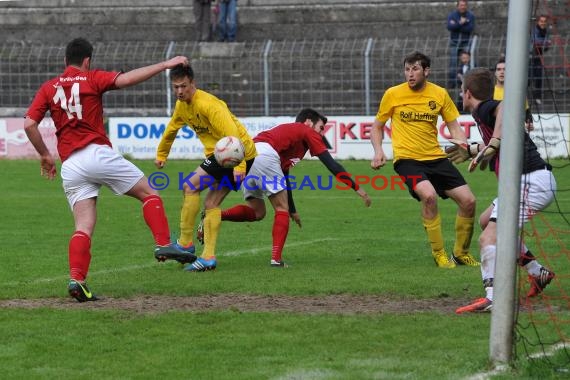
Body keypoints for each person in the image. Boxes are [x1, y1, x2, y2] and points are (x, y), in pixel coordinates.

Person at [23, 38, 195, 302]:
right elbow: (127, 80)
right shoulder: (92, 78)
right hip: (96, 153)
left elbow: (29, 125)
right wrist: (164, 64)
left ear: (64, 61)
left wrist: (45, 155)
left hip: (71, 166)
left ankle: (77, 280)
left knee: (83, 226)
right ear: (87, 61)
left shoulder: (49, 87)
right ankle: (163, 242)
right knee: (149, 193)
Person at [447, 68, 556, 313]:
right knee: (487, 221)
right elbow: (499, 140)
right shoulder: (484, 113)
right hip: (526, 182)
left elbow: (506, 105)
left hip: (530, 182)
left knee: (488, 239)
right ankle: (538, 273)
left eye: (461, 92)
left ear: (467, 93)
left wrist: (495, 141)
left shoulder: (485, 108)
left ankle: (493, 297)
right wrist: (474, 150)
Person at [221, 108, 371, 267]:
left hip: (249, 157)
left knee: (258, 212)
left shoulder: (292, 140)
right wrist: (357, 188)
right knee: (281, 208)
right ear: (308, 122)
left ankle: (216, 215)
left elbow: (284, 178)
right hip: (264, 155)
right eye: (320, 128)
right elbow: (332, 164)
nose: (321, 134)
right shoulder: (305, 130)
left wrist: (293, 210)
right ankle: (276, 260)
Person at [370, 51, 478, 269]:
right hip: (407, 159)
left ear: (426, 71)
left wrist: (462, 144)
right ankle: (439, 254)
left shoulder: (439, 94)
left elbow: (454, 126)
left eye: (415, 69)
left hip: (436, 158)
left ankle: (460, 253)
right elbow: (377, 126)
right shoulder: (393, 94)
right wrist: (378, 150)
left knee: (469, 202)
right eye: (407, 69)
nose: (410, 74)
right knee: (429, 196)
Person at [155, 64, 256, 272]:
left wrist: (240, 166)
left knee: (190, 186)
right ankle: (208, 257)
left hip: (236, 153)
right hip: (222, 154)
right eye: (176, 87)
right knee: (211, 203)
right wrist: (162, 154)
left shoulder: (210, 105)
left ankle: (184, 243)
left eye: (183, 86)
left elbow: (232, 136)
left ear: (193, 83)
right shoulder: (182, 105)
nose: (180, 91)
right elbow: (172, 129)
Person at [493, 57, 533, 132]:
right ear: (495, 73)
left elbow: (526, 111)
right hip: (495, 134)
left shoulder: (517, 92)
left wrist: (529, 123)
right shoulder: (489, 92)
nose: (502, 72)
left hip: (514, 133)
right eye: (499, 69)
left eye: (505, 69)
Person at [446, 0, 476, 88]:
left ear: (466, 6)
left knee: (467, 63)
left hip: (466, 42)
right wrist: (462, 23)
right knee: (453, 63)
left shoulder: (471, 15)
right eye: (461, 5)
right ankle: (452, 84)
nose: (463, 7)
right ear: (457, 6)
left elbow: (470, 28)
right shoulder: (452, 15)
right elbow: (449, 27)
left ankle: (468, 84)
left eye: (464, 5)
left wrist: (457, 25)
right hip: (454, 42)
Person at [529, 15, 551, 105]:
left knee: (538, 77)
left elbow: (546, 45)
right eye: (541, 21)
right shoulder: (534, 30)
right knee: (529, 77)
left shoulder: (546, 32)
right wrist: (544, 43)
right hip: (530, 56)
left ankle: (537, 97)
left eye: (544, 21)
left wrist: (543, 44)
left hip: (538, 57)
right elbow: (535, 41)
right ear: (538, 22)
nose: (543, 23)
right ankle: (524, 97)